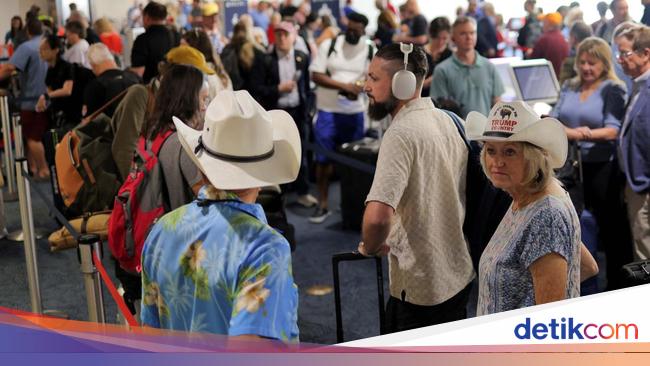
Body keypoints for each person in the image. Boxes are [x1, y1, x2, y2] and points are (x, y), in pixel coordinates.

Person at [140, 90, 300, 341]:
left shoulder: (162, 229)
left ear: (201, 167)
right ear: (261, 177)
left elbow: (150, 332)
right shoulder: (264, 247)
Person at [360, 43, 473, 332]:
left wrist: (370, 246)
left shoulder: (401, 133)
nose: (365, 85)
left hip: (420, 289)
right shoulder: (450, 121)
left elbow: (377, 216)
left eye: (373, 78)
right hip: (458, 276)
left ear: (403, 83)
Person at [467, 101, 581, 315]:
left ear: (534, 158)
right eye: (491, 150)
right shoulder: (525, 194)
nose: (497, 162)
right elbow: (585, 265)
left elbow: (548, 319)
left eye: (509, 152)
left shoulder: (546, 214)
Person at [551, 37, 633, 289]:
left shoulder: (613, 88)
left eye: (592, 63)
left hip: (601, 169)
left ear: (604, 63)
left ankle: (616, 288)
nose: (586, 67)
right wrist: (571, 131)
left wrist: (575, 133)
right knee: (573, 228)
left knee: (609, 232)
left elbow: (612, 131)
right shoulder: (569, 85)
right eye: (582, 62)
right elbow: (553, 118)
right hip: (569, 167)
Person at [309, 12, 375, 223]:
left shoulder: (370, 48)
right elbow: (316, 75)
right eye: (350, 29)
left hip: (355, 112)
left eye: (357, 30)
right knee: (323, 160)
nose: (352, 33)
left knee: (353, 162)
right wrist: (344, 86)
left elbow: (376, 76)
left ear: (364, 31)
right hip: (327, 110)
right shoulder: (329, 45)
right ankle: (323, 203)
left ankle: (353, 207)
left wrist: (359, 86)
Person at [250, 21, 317, 208]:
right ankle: (279, 196)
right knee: (276, 154)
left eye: (285, 34)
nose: (281, 38)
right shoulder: (265, 60)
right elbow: (255, 89)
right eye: (278, 34)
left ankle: (302, 192)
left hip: (298, 113)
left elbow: (305, 87)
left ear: (294, 37)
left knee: (300, 154)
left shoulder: (302, 57)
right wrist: (278, 89)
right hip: (276, 114)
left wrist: (308, 109)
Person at [616, 25, 650, 261]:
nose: (620, 60)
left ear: (645, 53)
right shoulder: (637, 85)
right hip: (637, 184)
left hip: (644, 187)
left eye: (625, 54)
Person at [0, 19, 49, 178]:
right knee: (31, 137)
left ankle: (43, 170)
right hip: (48, 97)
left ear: (28, 32)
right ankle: (33, 168)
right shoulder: (48, 45)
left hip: (31, 101)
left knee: (33, 138)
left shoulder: (26, 47)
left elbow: (9, 68)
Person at [430, 16, 504, 119]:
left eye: (472, 33)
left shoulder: (490, 67)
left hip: (485, 133)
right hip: (456, 133)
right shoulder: (442, 70)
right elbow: (439, 111)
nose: (469, 37)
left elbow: (498, 104)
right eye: (463, 33)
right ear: (453, 38)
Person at [36, 33, 93, 127]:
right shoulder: (50, 70)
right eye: (40, 49)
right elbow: (50, 91)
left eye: (45, 49)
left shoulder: (67, 67)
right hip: (58, 113)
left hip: (72, 114)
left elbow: (67, 90)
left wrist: (45, 96)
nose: (41, 52)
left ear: (56, 50)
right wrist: (45, 100)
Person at [84, 43, 140, 118]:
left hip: (112, 128)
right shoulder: (135, 77)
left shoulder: (95, 86)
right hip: (140, 127)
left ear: (93, 65)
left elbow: (90, 120)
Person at [130, 1, 176, 83]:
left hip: (151, 88)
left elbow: (138, 72)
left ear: (146, 17)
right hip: (173, 84)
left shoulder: (142, 39)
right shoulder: (175, 35)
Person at [180, 29, 233, 95]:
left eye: (184, 50)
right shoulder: (218, 72)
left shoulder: (202, 78)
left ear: (197, 51)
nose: (179, 53)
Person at [530, 12, 570, 77]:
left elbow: (533, 61)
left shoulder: (544, 39)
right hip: (560, 78)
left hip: (546, 79)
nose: (542, 24)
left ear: (548, 23)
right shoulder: (563, 38)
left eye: (543, 22)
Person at [422, 16, 452, 96]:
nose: (440, 42)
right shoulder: (420, 53)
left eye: (444, 38)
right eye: (437, 38)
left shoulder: (451, 55)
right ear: (431, 35)